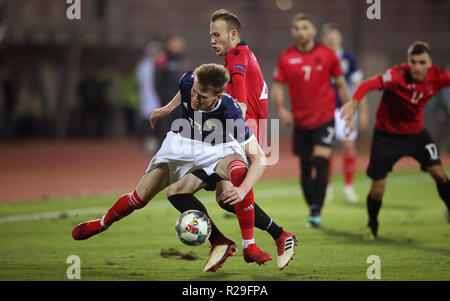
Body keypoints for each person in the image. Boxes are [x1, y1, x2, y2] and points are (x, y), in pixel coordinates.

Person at [72, 63, 272, 267]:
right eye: (195, 91)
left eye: (202, 97)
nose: (195, 98)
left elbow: (259, 158)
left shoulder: (230, 110)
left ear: (217, 97)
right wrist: (168, 108)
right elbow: (184, 91)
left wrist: (243, 189)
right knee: (138, 198)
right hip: (182, 144)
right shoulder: (188, 81)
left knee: (239, 169)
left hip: (217, 148)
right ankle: (103, 223)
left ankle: (249, 246)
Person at [162, 9, 298, 272]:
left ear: (233, 35)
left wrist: (229, 140)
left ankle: (241, 241)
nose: (212, 40)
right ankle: (262, 238)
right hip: (234, 137)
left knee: (185, 192)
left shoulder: (236, 58)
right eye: (210, 35)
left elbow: (243, 106)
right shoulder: (241, 56)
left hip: (235, 140)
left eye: (217, 35)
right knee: (217, 196)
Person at [341, 41, 450, 239]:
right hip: (387, 137)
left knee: (440, 175)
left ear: (429, 63)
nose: (417, 67)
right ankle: (372, 226)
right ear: (407, 62)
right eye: (413, 62)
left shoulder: (439, 76)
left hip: (417, 134)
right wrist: (354, 103)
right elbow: (367, 84)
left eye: (421, 62)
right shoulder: (397, 76)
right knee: (377, 190)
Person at [272, 13, 352, 228]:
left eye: (305, 27)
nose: (301, 32)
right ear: (293, 32)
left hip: (325, 118)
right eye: (296, 28)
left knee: (321, 161)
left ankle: (316, 210)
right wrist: (281, 109)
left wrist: (350, 108)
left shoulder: (328, 55)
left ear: (313, 31)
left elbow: (341, 83)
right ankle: (313, 208)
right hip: (300, 121)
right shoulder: (286, 57)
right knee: (306, 167)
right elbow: (278, 86)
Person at [321, 23, 369, 203]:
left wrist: (362, 110)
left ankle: (348, 186)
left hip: (344, 110)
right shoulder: (319, 58)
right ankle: (327, 188)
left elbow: (359, 86)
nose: (331, 39)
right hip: (325, 111)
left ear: (340, 38)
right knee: (327, 149)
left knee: (348, 146)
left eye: (334, 35)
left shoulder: (349, 58)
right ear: (324, 39)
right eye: (328, 37)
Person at [136, 41, 162, 153]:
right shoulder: (145, 65)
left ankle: (153, 144)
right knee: (147, 122)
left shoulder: (157, 64)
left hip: (156, 98)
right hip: (148, 97)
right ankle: (147, 144)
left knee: (156, 122)